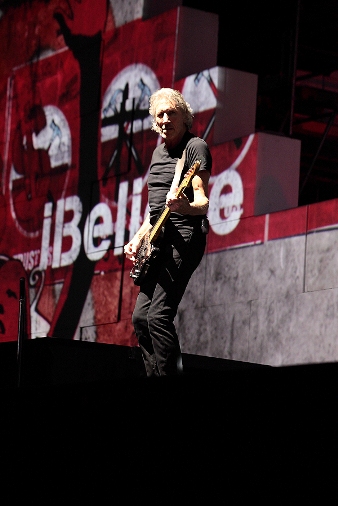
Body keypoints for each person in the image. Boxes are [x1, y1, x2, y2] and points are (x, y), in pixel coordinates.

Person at [124, 88, 212, 376]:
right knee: (140, 318)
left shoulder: (195, 147)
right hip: (159, 240)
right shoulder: (157, 154)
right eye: (159, 114)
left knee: (158, 316)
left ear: (184, 117)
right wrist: (137, 239)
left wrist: (185, 206)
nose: (164, 119)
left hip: (185, 238)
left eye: (170, 112)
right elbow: (155, 215)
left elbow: (202, 203)